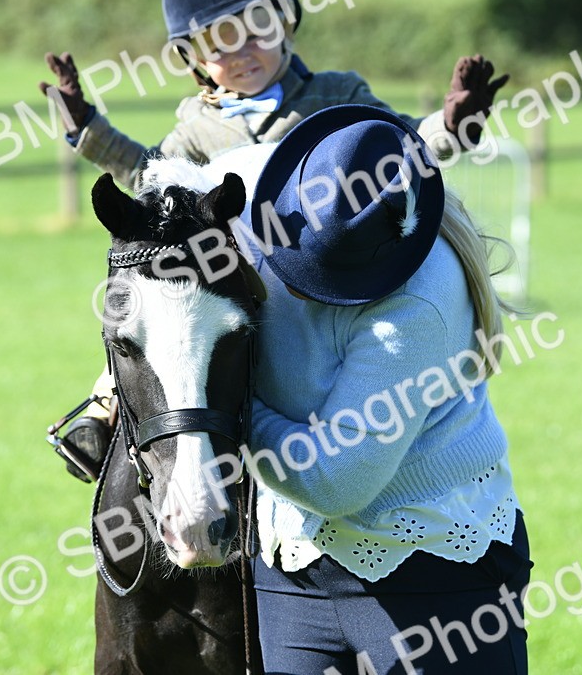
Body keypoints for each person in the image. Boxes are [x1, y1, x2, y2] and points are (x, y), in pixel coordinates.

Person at [42, 0, 509, 478]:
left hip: (321, 283)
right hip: (232, 286)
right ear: (193, 57)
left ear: (286, 21)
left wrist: (453, 125)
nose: (241, 54)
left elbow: (401, 150)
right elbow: (152, 180)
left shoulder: (335, 94)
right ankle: (106, 408)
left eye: (257, 29)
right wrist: (90, 131)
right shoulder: (195, 125)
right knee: (148, 305)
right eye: (218, 41)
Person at [214, 104, 530, 672]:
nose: (300, 286)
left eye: (329, 277)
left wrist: (229, 413)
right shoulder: (267, 194)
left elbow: (336, 479)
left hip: (433, 572)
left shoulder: (421, 299)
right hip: (293, 561)